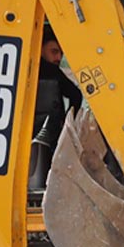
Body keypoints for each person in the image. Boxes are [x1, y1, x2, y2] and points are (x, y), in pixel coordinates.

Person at [29, 26, 85, 190]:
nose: (58, 57)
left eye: (61, 53)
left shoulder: (25, 70)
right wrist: (67, 121)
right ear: (40, 49)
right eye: (54, 51)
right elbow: (76, 95)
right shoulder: (53, 73)